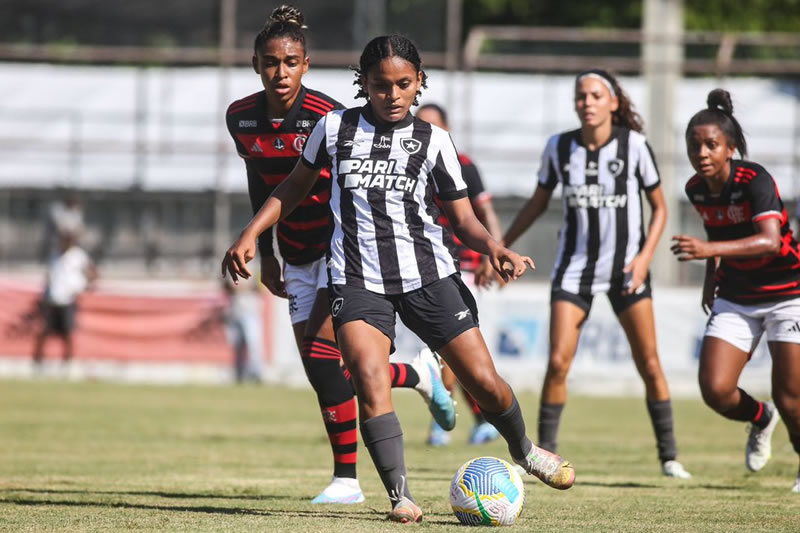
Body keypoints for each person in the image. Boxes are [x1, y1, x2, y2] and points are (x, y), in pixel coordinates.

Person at [223, 33, 576, 523]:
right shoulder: (334, 128)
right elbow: (292, 186)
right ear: (364, 84)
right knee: (369, 378)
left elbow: (463, 219)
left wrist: (495, 248)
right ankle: (400, 496)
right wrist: (252, 233)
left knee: (484, 382)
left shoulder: (435, 140)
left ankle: (524, 450)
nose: (392, 94)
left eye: (403, 84)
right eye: (380, 85)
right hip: (356, 279)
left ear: (419, 82)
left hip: (429, 276)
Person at [224, 6, 454, 505]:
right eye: (270, 62)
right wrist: (268, 253)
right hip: (294, 252)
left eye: (290, 62)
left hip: (341, 251)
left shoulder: (328, 118)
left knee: (325, 356)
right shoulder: (240, 118)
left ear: (305, 64)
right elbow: (261, 182)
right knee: (324, 371)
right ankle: (417, 374)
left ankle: (347, 480)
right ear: (256, 65)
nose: (280, 72)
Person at [482, 68, 691, 479]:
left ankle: (669, 457)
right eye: (581, 96)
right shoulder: (559, 147)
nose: (587, 102)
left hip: (626, 270)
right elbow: (537, 203)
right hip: (574, 270)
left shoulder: (634, 146)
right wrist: (501, 246)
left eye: (596, 95)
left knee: (649, 363)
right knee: (558, 362)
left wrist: (645, 259)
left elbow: (661, 208)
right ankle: (541, 456)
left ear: (612, 102)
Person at [672, 88, 800, 493]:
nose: (702, 153)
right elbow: (718, 232)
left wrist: (709, 252)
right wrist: (711, 277)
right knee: (716, 390)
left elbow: (770, 241)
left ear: (730, 149)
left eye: (711, 145)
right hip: (736, 294)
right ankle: (761, 417)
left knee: (791, 398)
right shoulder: (695, 188)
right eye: (694, 146)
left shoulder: (755, 180)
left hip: (788, 293)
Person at [415, 103, 504, 447]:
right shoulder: (406, 160)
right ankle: (482, 420)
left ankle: (442, 422)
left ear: (447, 129)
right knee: (455, 353)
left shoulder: (464, 164)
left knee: (452, 348)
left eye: (433, 125)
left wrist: (494, 252)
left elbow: (484, 212)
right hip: (425, 265)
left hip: (464, 266)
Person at [32, 231, 97, 368]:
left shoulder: (78, 256)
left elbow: (92, 272)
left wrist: (86, 285)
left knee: (67, 333)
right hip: (52, 299)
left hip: (68, 300)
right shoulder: (55, 255)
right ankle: (38, 363)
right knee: (45, 331)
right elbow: (49, 276)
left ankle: (67, 364)